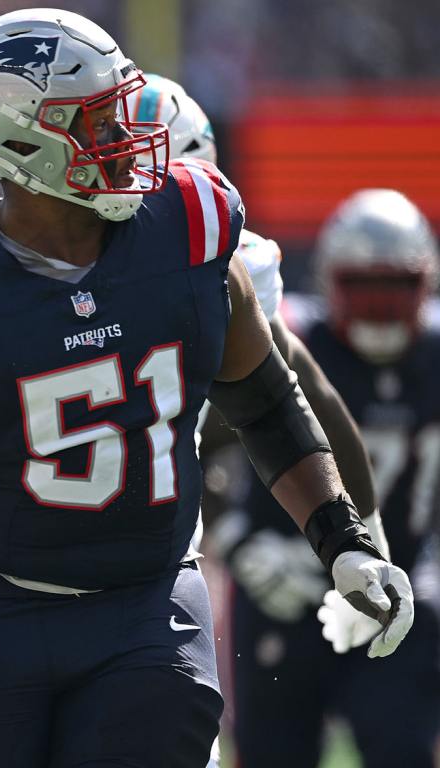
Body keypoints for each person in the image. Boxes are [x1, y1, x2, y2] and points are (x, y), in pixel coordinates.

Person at [0, 9, 414, 767]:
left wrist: (345, 541)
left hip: (145, 609)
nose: (130, 133)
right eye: (100, 119)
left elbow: (268, 400)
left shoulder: (193, 225)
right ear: (19, 142)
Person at [124, 73, 388, 767]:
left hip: (148, 572)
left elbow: (294, 402)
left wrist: (361, 544)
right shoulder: (30, 263)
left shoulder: (236, 272)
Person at [224, 189, 440, 768]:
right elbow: (195, 448)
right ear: (328, 281)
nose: (380, 308)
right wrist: (242, 545)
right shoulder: (291, 341)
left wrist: (428, 570)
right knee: (273, 753)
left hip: (399, 586)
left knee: (402, 746)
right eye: (364, 288)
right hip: (283, 579)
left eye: (396, 289)